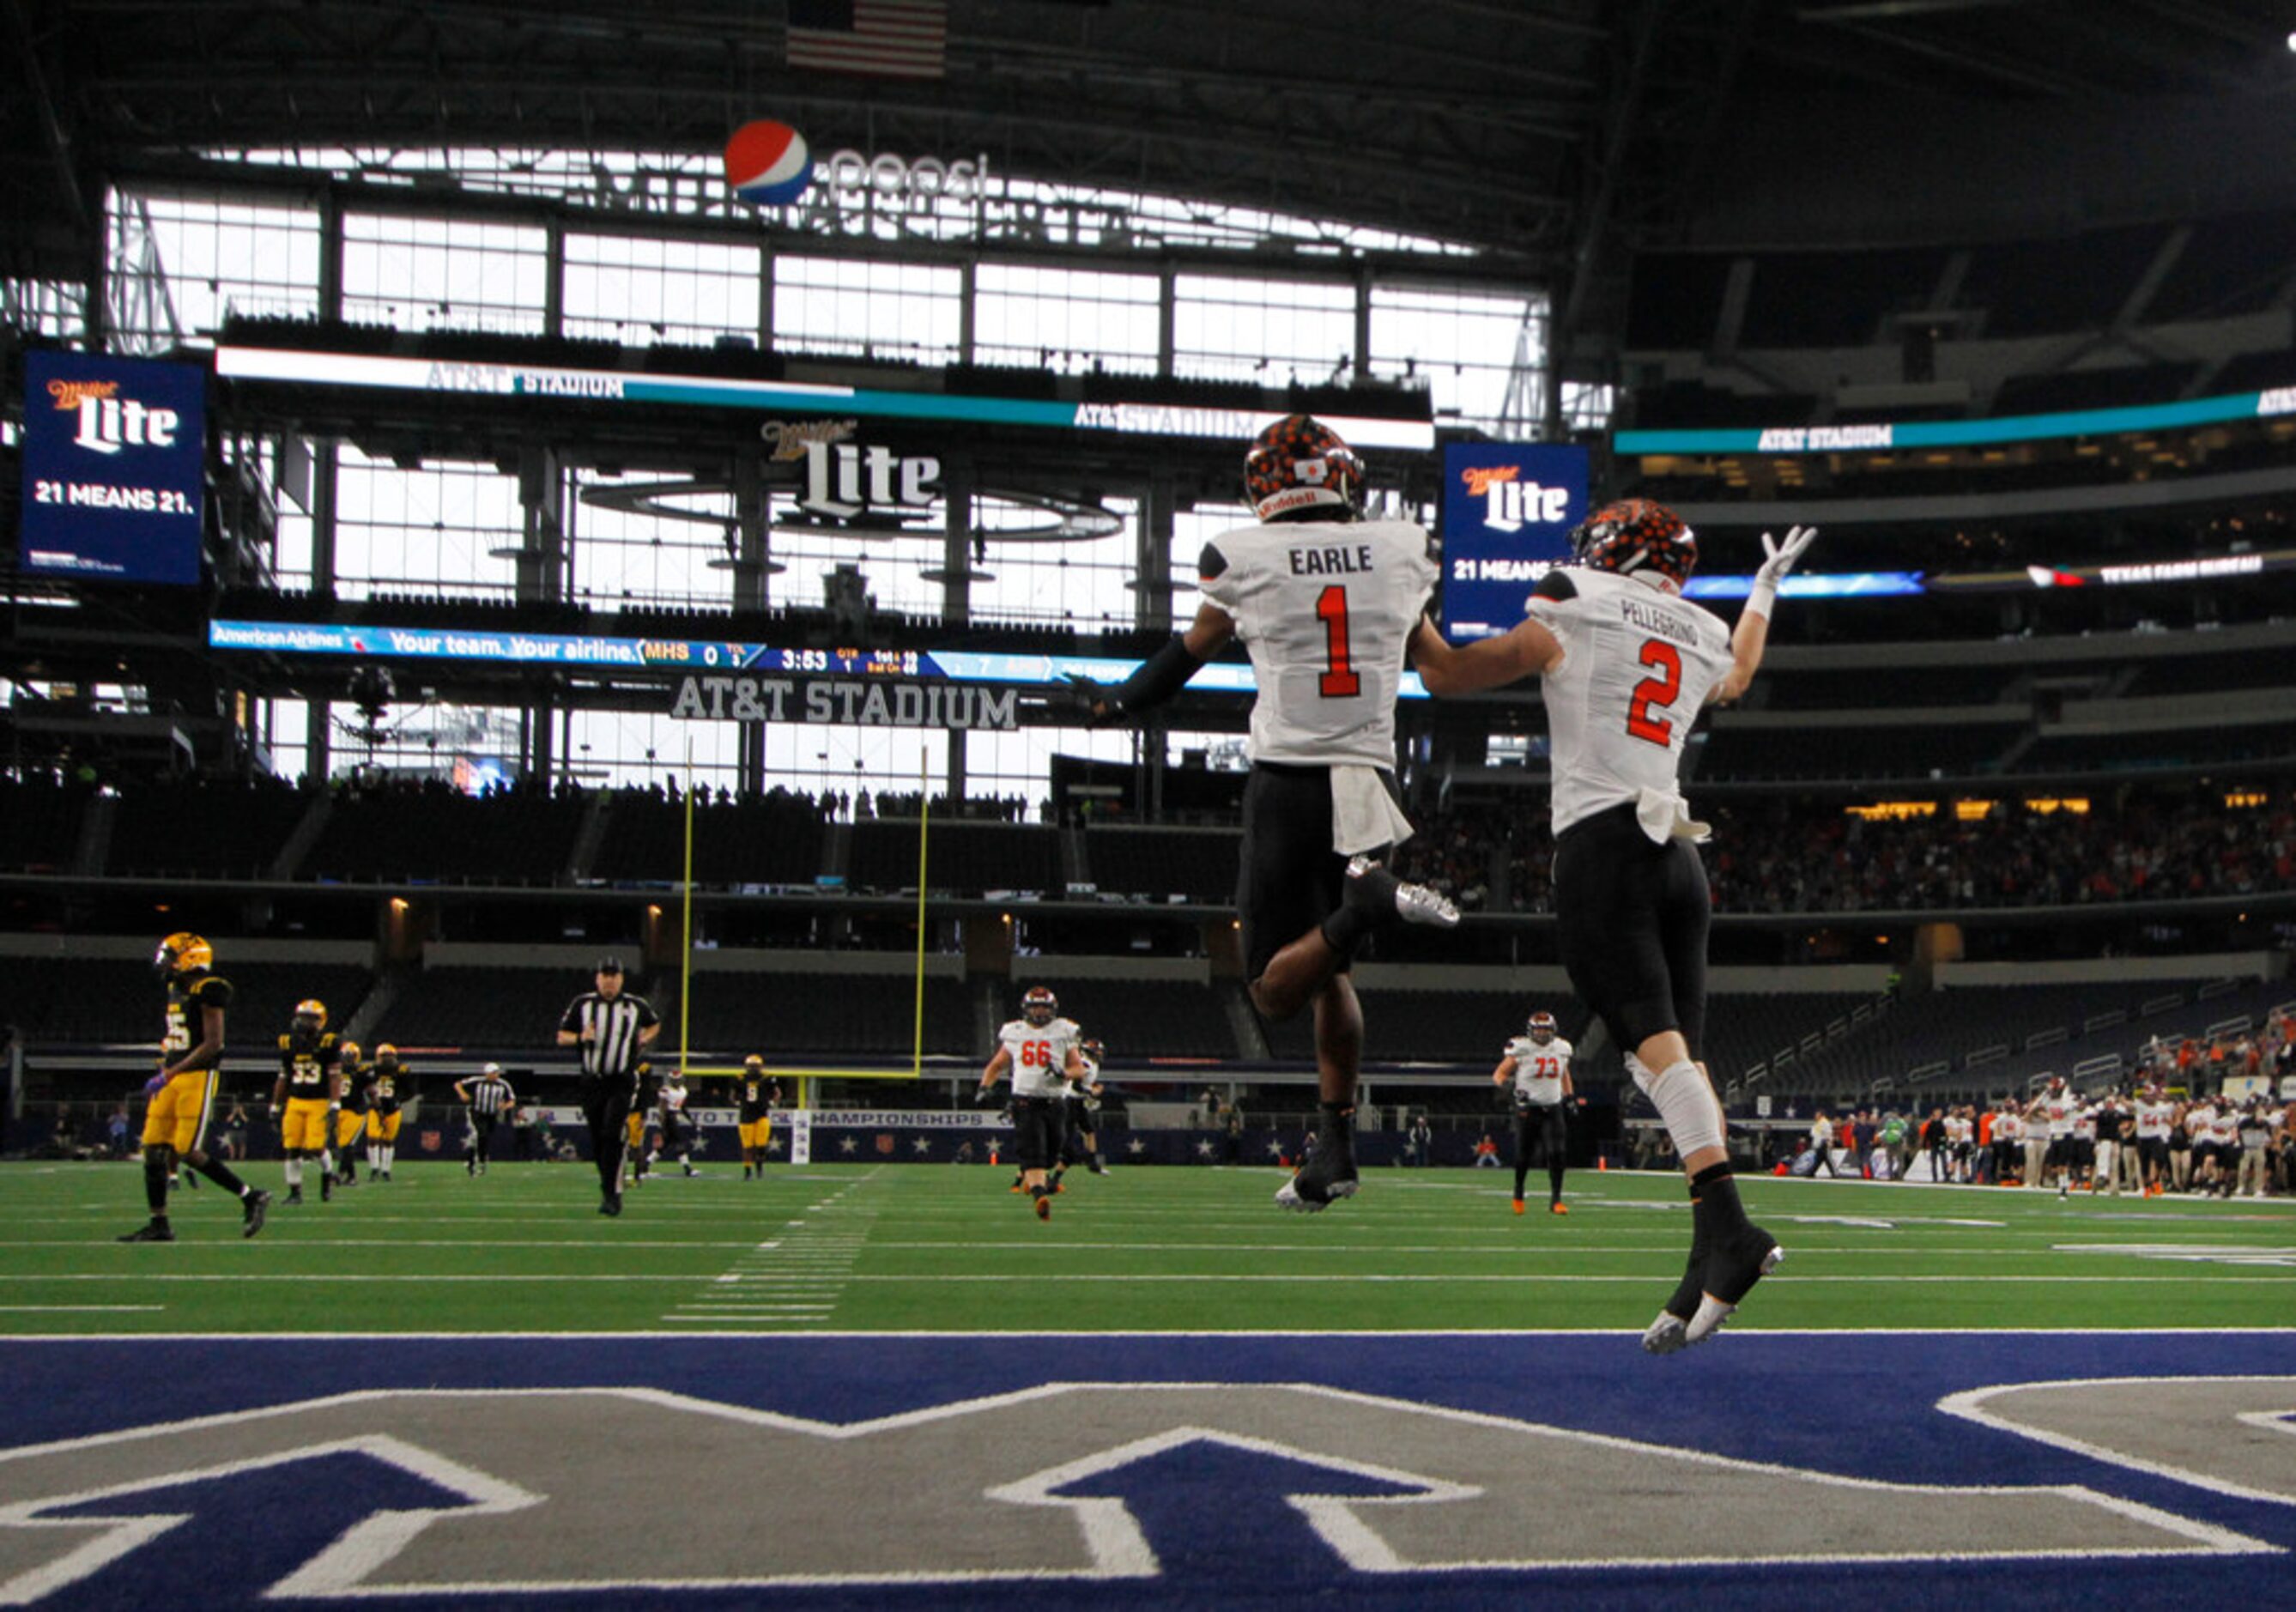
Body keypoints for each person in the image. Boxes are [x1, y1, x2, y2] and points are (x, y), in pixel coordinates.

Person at [1413, 499, 1817, 1350]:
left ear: (1602, 549)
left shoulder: (1573, 594)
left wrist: (1404, 604)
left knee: (1648, 1046)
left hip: (1604, 846)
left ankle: (1734, 1232)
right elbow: (1736, 678)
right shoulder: (1698, 625)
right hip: (1679, 857)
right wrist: (1762, 593)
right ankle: (1705, 1255)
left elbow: (1449, 674)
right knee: (1678, 1066)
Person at [1070, 415, 1458, 1216]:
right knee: (1331, 977)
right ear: (1344, 479)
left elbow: (1187, 655)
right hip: (1371, 780)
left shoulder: (1241, 556)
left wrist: (1113, 705)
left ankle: (1366, 905)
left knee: (1273, 991)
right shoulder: (1399, 548)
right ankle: (1336, 1150)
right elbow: (1433, 659)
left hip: (1290, 781)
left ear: (1265, 490)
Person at [118, 932, 270, 1242]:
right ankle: (159, 1223)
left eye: (172, 956)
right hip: (172, 1076)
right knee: (153, 1148)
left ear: (190, 957)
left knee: (185, 1149)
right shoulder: (176, 987)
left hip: (196, 1076)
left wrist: (171, 1071)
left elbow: (213, 1043)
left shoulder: (209, 988)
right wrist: (166, 1067)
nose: (166, 963)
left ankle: (250, 1195)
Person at [556, 956, 661, 1216]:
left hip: (621, 1080)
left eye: (614, 976)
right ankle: (608, 1189)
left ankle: (613, 1196)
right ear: (598, 978)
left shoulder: (636, 1005)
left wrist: (644, 1037)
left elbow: (654, 1023)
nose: (609, 981)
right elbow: (561, 1036)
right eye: (605, 975)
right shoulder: (583, 1004)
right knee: (598, 1140)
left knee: (611, 1133)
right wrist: (582, 1037)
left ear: (621, 979)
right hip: (592, 1080)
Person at [974, 985, 1084, 1219]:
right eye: (1035, 1006)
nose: (1040, 1011)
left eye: (1044, 1006)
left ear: (1053, 1008)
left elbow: (1078, 1069)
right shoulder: (1015, 1031)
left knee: (1054, 1150)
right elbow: (996, 1065)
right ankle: (1039, 1195)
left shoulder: (1064, 1029)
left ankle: (1030, 1179)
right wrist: (985, 1086)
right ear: (1026, 1008)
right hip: (1025, 1101)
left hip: (1055, 1101)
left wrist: (1064, 1074)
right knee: (1034, 1149)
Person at [1493, 1009, 1575, 1215]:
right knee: (1523, 1156)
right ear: (1531, 1030)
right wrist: (1510, 1091)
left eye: (1545, 1029)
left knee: (1557, 1153)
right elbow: (1499, 1074)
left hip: (1553, 1107)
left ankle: (1556, 1199)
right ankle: (1518, 1192)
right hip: (1529, 1109)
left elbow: (1564, 1073)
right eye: (1538, 1029)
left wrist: (1570, 1096)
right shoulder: (1522, 1048)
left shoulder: (1561, 1048)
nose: (1541, 1033)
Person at [270, 997, 341, 1205]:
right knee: (292, 1147)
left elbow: (335, 1076)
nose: (305, 1022)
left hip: (318, 1101)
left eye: (311, 1018)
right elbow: (283, 1076)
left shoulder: (329, 1043)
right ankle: (295, 1192)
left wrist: (335, 1105)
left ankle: (328, 1174)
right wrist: (275, 1105)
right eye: (302, 1017)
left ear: (321, 1021)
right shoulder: (288, 1042)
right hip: (295, 1100)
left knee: (315, 1148)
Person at [361, 1045, 414, 1181]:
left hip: (393, 1109)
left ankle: (386, 1170)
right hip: (375, 1108)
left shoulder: (402, 1070)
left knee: (388, 1141)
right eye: (384, 1056)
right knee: (372, 1138)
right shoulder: (371, 1070)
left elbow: (410, 1090)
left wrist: (399, 1099)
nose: (386, 1060)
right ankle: (374, 1168)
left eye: (389, 1056)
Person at [454, 1062, 515, 1176]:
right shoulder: (477, 1081)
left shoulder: (503, 1085)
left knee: (484, 1137)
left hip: (491, 1115)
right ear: (487, 1074)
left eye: (496, 1073)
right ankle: (476, 1161)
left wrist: (505, 1106)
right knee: (479, 1134)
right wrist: (462, 1094)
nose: (495, 1075)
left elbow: (511, 1100)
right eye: (493, 1073)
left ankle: (476, 1159)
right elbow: (458, 1084)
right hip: (476, 1113)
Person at [736, 1054, 779, 1181]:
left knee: (761, 1145)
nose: (753, 1069)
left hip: (761, 1115)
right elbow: (733, 1094)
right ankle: (748, 1171)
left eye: (755, 1066)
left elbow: (777, 1092)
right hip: (746, 1115)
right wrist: (737, 1102)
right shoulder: (740, 1078)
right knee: (747, 1146)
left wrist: (772, 1102)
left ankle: (759, 1168)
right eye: (751, 1066)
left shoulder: (767, 1078)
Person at [332, 1039, 367, 1187]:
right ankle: (346, 1175)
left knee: (347, 1145)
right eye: (345, 1056)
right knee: (343, 1146)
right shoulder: (337, 1070)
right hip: (339, 1112)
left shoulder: (361, 1071)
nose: (347, 1059)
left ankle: (348, 1175)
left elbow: (371, 1091)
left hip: (354, 1113)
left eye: (349, 1056)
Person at [656, 1067, 697, 1177]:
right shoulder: (666, 1090)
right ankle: (687, 1168)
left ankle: (646, 1163)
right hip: (669, 1117)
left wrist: (690, 1119)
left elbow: (682, 1107)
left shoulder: (683, 1091)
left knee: (666, 1143)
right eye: (675, 1080)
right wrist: (663, 1121)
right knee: (679, 1142)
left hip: (674, 1116)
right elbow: (662, 1106)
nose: (676, 1081)